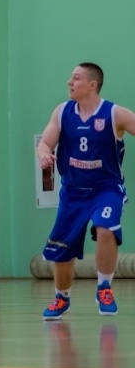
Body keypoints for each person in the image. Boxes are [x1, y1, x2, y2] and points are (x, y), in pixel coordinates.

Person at [37, 62, 135, 320]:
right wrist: (44, 155)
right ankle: (62, 297)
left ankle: (104, 288)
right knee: (62, 247)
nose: (70, 82)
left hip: (106, 188)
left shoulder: (115, 114)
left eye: (76, 78)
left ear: (92, 84)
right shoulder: (62, 112)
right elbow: (46, 142)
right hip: (73, 192)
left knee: (105, 228)